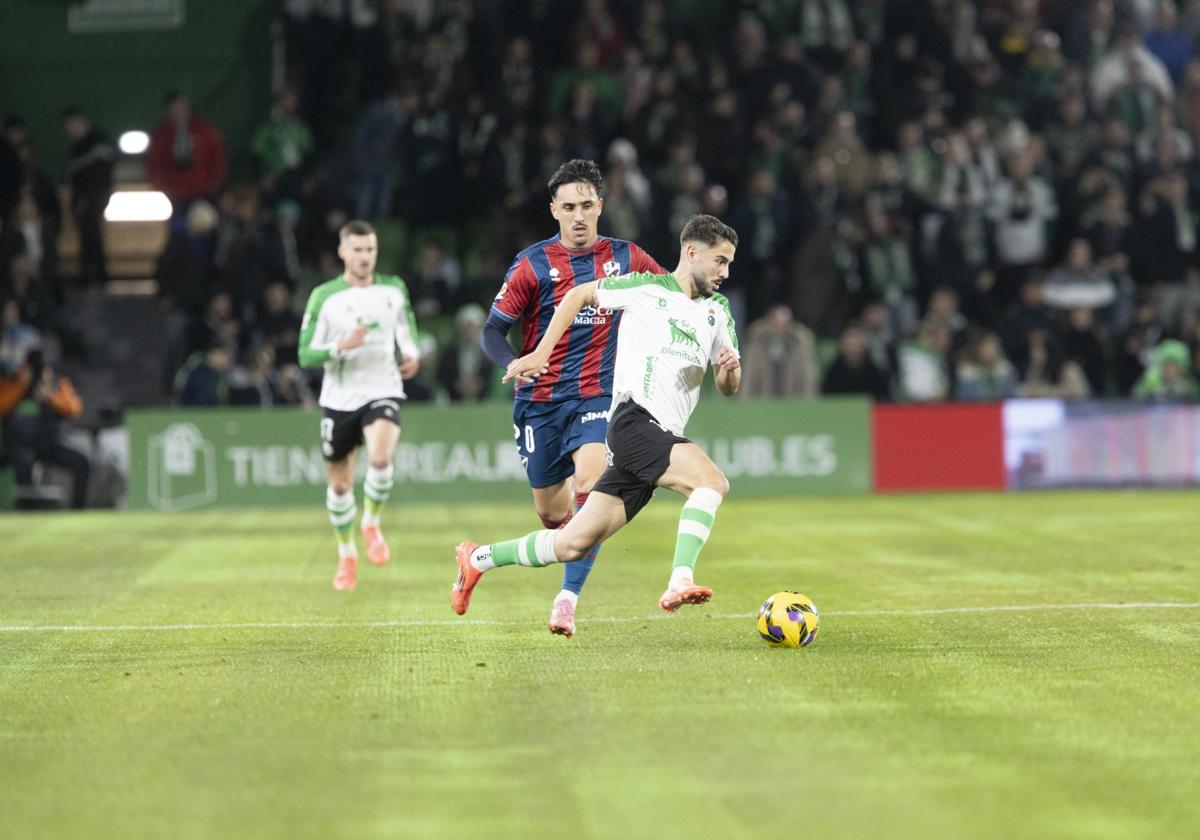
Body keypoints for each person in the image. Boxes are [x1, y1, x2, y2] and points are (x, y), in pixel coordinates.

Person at [454, 214, 741, 620]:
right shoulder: (644, 287)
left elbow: (729, 386)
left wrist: (728, 370)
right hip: (634, 422)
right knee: (711, 482)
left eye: (729, 263)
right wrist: (540, 354)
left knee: (572, 542)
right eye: (720, 261)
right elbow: (577, 296)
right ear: (692, 252)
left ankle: (477, 559)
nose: (725, 272)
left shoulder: (718, 311)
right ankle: (680, 578)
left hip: (659, 436)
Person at [478, 158, 665, 637]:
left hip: (600, 395)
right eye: (568, 208)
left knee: (593, 483)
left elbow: (671, 296)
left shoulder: (628, 258)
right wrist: (513, 363)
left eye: (586, 205)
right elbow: (493, 332)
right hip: (539, 403)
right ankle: (482, 558)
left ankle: (567, 601)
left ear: (601, 206)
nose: (578, 216)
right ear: (553, 211)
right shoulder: (532, 264)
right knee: (552, 513)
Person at [298, 220, 420, 591]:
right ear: (343, 252)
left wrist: (412, 353)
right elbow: (305, 353)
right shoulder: (325, 297)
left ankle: (371, 522)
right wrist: (339, 347)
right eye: (357, 250)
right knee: (339, 485)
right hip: (339, 399)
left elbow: (405, 325)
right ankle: (346, 554)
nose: (365, 257)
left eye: (370, 250)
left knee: (381, 458)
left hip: (382, 387)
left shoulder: (393, 288)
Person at [62, 107, 115, 286]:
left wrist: (97, 199)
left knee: (92, 235)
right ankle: (94, 274)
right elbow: (76, 181)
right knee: (88, 236)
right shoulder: (77, 148)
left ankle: (95, 275)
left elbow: (101, 174)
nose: (71, 131)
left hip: (95, 198)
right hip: (84, 200)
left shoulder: (97, 143)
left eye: (74, 125)